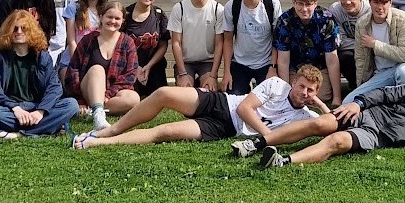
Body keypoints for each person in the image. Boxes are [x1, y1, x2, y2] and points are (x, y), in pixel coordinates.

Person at [253, 65, 405, 168]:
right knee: (319, 122)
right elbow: (381, 94)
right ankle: (258, 142)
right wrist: (358, 103)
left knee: (337, 142)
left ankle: (283, 162)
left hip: (376, 135)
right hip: (365, 114)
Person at [71, 65, 324, 149]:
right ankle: (111, 130)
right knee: (163, 94)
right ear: (293, 82)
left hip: (223, 128)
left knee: (166, 132)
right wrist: (268, 137)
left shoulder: (305, 116)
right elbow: (244, 110)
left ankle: (100, 142)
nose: (304, 92)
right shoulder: (277, 85)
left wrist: (321, 104)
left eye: (310, 90)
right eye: (302, 86)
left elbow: (333, 122)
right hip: (223, 103)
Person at [0, 12, 78, 138]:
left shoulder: (43, 57)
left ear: (31, 31)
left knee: (71, 105)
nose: (19, 32)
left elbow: (54, 87)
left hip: (37, 105)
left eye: (24, 28)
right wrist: (15, 108)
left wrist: (40, 111)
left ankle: (18, 134)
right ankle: (49, 127)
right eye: (15, 28)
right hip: (9, 108)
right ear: (8, 31)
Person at [63, 1, 141, 131]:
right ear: (101, 17)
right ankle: (98, 114)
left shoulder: (128, 42)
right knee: (97, 69)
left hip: (111, 94)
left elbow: (130, 75)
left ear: (122, 21)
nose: (113, 21)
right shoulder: (88, 40)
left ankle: (95, 109)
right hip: (87, 89)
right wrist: (80, 100)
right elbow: (73, 70)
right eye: (109, 17)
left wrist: (108, 94)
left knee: (134, 98)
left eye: (117, 18)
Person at [343, 0, 405, 104]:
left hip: (403, 67)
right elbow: (360, 59)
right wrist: (361, 85)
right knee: (349, 101)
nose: (380, 7)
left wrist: (375, 44)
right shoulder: (362, 24)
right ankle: (387, 98)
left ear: (390, 3)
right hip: (380, 73)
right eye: (376, 2)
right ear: (369, 2)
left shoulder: (402, 18)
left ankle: (404, 104)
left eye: (384, 3)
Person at [274, 0, 342, 107]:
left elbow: (332, 60)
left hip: (319, 68)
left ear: (315, 4)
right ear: (294, 2)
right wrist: (285, 94)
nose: (304, 9)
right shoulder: (284, 21)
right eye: (300, 4)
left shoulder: (327, 20)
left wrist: (337, 97)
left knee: (320, 96)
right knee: (296, 95)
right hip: (295, 68)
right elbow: (283, 60)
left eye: (308, 4)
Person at [222, 0, 282, 95]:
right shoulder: (232, 6)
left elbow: (277, 39)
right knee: (232, 100)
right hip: (240, 63)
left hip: (266, 63)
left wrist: (273, 68)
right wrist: (226, 71)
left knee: (269, 100)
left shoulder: (272, 4)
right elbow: (227, 40)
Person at [170, 0, 225, 90]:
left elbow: (219, 44)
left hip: (207, 62)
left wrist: (213, 75)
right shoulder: (179, 8)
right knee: (186, 94)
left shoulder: (218, 10)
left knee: (208, 91)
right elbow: (176, 43)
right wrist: (182, 73)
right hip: (186, 62)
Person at [124, 0, 172, 98]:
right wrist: (135, 66)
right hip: (130, 65)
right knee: (132, 97)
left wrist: (149, 66)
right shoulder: (125, 15)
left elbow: (163, 45)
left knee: (159, 97)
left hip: (154, 66)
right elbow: (119, 46)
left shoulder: (159, 15)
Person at [328, 0, 371, 90]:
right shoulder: (335, 9)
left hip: (370, 49)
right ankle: (355, 86)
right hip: (350, 49)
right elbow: (339, 40)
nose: (347, 2)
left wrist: (369, 43)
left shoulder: (370, 9)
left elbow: (374, 39)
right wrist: (362, 42)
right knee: (343, 57)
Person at [63, 0, 107, 67]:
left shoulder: (107, 10)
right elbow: (71, 41)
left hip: (96, 59)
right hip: (74, 58)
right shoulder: (73, 8)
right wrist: (77, 63)